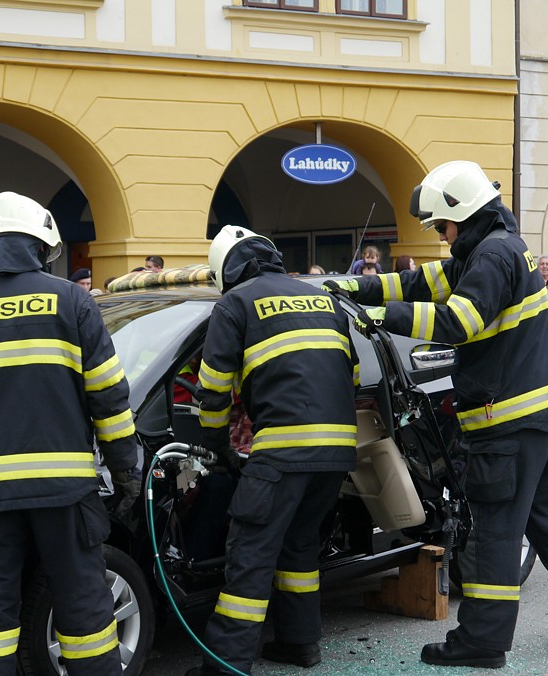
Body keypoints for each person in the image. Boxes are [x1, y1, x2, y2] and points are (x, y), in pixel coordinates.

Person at [329, 160, 548, 668]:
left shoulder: (491, 257)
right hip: (542, 417)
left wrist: (380, 316)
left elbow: (459, 321)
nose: (440, 234)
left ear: (461, 213)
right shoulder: (498, 247)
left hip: (508, 424)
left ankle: (482, 641)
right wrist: (355, 289)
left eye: (442, 224)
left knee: (495, 533)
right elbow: (421, 282)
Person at [0, 192, 138, 676]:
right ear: (39, 245)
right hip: (64, 490)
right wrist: (126, 469)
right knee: (83, 603)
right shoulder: (71, 300)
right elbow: (108, 395)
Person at [186, 225, 359, 676]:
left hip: (282, 451)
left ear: (227, 271)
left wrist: (217, 448)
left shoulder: (236, 303)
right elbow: (352, 375)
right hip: (338, 450)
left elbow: (213, 390)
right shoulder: (323, 300)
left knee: (251, 553)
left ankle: (226, 664)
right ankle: (299, 643)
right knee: (299, 545)